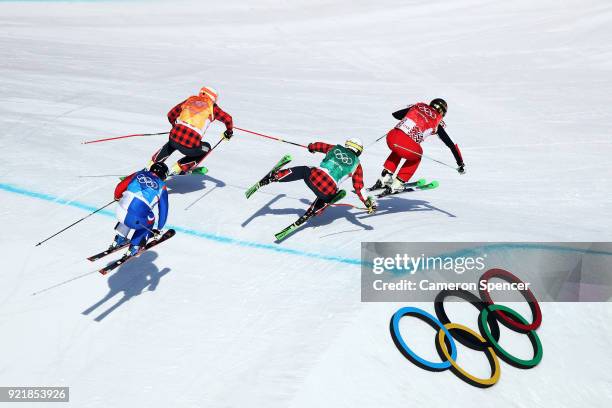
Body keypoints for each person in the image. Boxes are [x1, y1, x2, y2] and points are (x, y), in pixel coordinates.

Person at [255, 138, 376, 220]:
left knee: (303, 170)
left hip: (314, 177)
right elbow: (359, 187)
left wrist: (311, 147)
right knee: (332, 194)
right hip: (328, 190)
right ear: (359, 151)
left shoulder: (335, 148)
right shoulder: (357, 165)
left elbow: (319, 146)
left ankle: (274, 177)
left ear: (347, 144)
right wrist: (367, 203)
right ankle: (313, 210)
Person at [370, 98, 465, 192]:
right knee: (418, 155)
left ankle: (385, 177)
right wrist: (460, 163)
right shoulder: (439, 121)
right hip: (406, 144)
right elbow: (453, 145)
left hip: (391, 137)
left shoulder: (418, 105)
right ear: (443, 113)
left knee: (399, 148)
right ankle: (398, 183)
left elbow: (395, 113)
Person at [149, 86, 233, 175]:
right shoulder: (212, 107)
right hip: (190, 146)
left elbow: (171, 115)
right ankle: (180, 167)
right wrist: (229, 132)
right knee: (207, 148)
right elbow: (228, 119)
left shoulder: (190, 100)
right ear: (213, 98)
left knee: (173, 141)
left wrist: (175, 127)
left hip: (173, 138)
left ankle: (153, 162)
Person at [111, 162, 169, 256]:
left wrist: (117, 197)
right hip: (135, 220)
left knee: (130, 210)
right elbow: (164, 210)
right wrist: (159, 228)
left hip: (119, 211)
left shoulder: (138, 173)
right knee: (150, 218)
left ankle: (119, 238)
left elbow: (120, 186)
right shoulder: (162, 186)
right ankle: (135, 246)